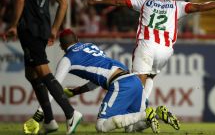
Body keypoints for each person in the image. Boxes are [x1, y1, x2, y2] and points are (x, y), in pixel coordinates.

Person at [87, 0, 215, 103]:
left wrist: (97, 2)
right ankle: (143, 109)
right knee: (151, 77)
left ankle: (133, 115)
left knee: (137, 83)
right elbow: (200, 6)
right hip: (165, 50)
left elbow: (119, 1)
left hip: (147, 45)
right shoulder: (177, 5)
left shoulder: (145, 1)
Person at [2, 0, 82, 134]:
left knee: (42, 70)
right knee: (31, 74)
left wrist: (13, 24)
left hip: (29, 27)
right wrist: (54, 29)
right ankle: (49, 121)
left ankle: (70, 113)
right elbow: (64, 2)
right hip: (44, 27)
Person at [27, 28, 169, 133]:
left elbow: (54, 86)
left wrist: (40, 113)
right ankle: (157, 114)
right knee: (131, 127)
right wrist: (77, 91)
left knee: (101, 126)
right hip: (133, 80)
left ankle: (146, 114)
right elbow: (99, 77)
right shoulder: (91, 46)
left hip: (121, 84)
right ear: (77, 39)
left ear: (62, 46)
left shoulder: (67, 59)